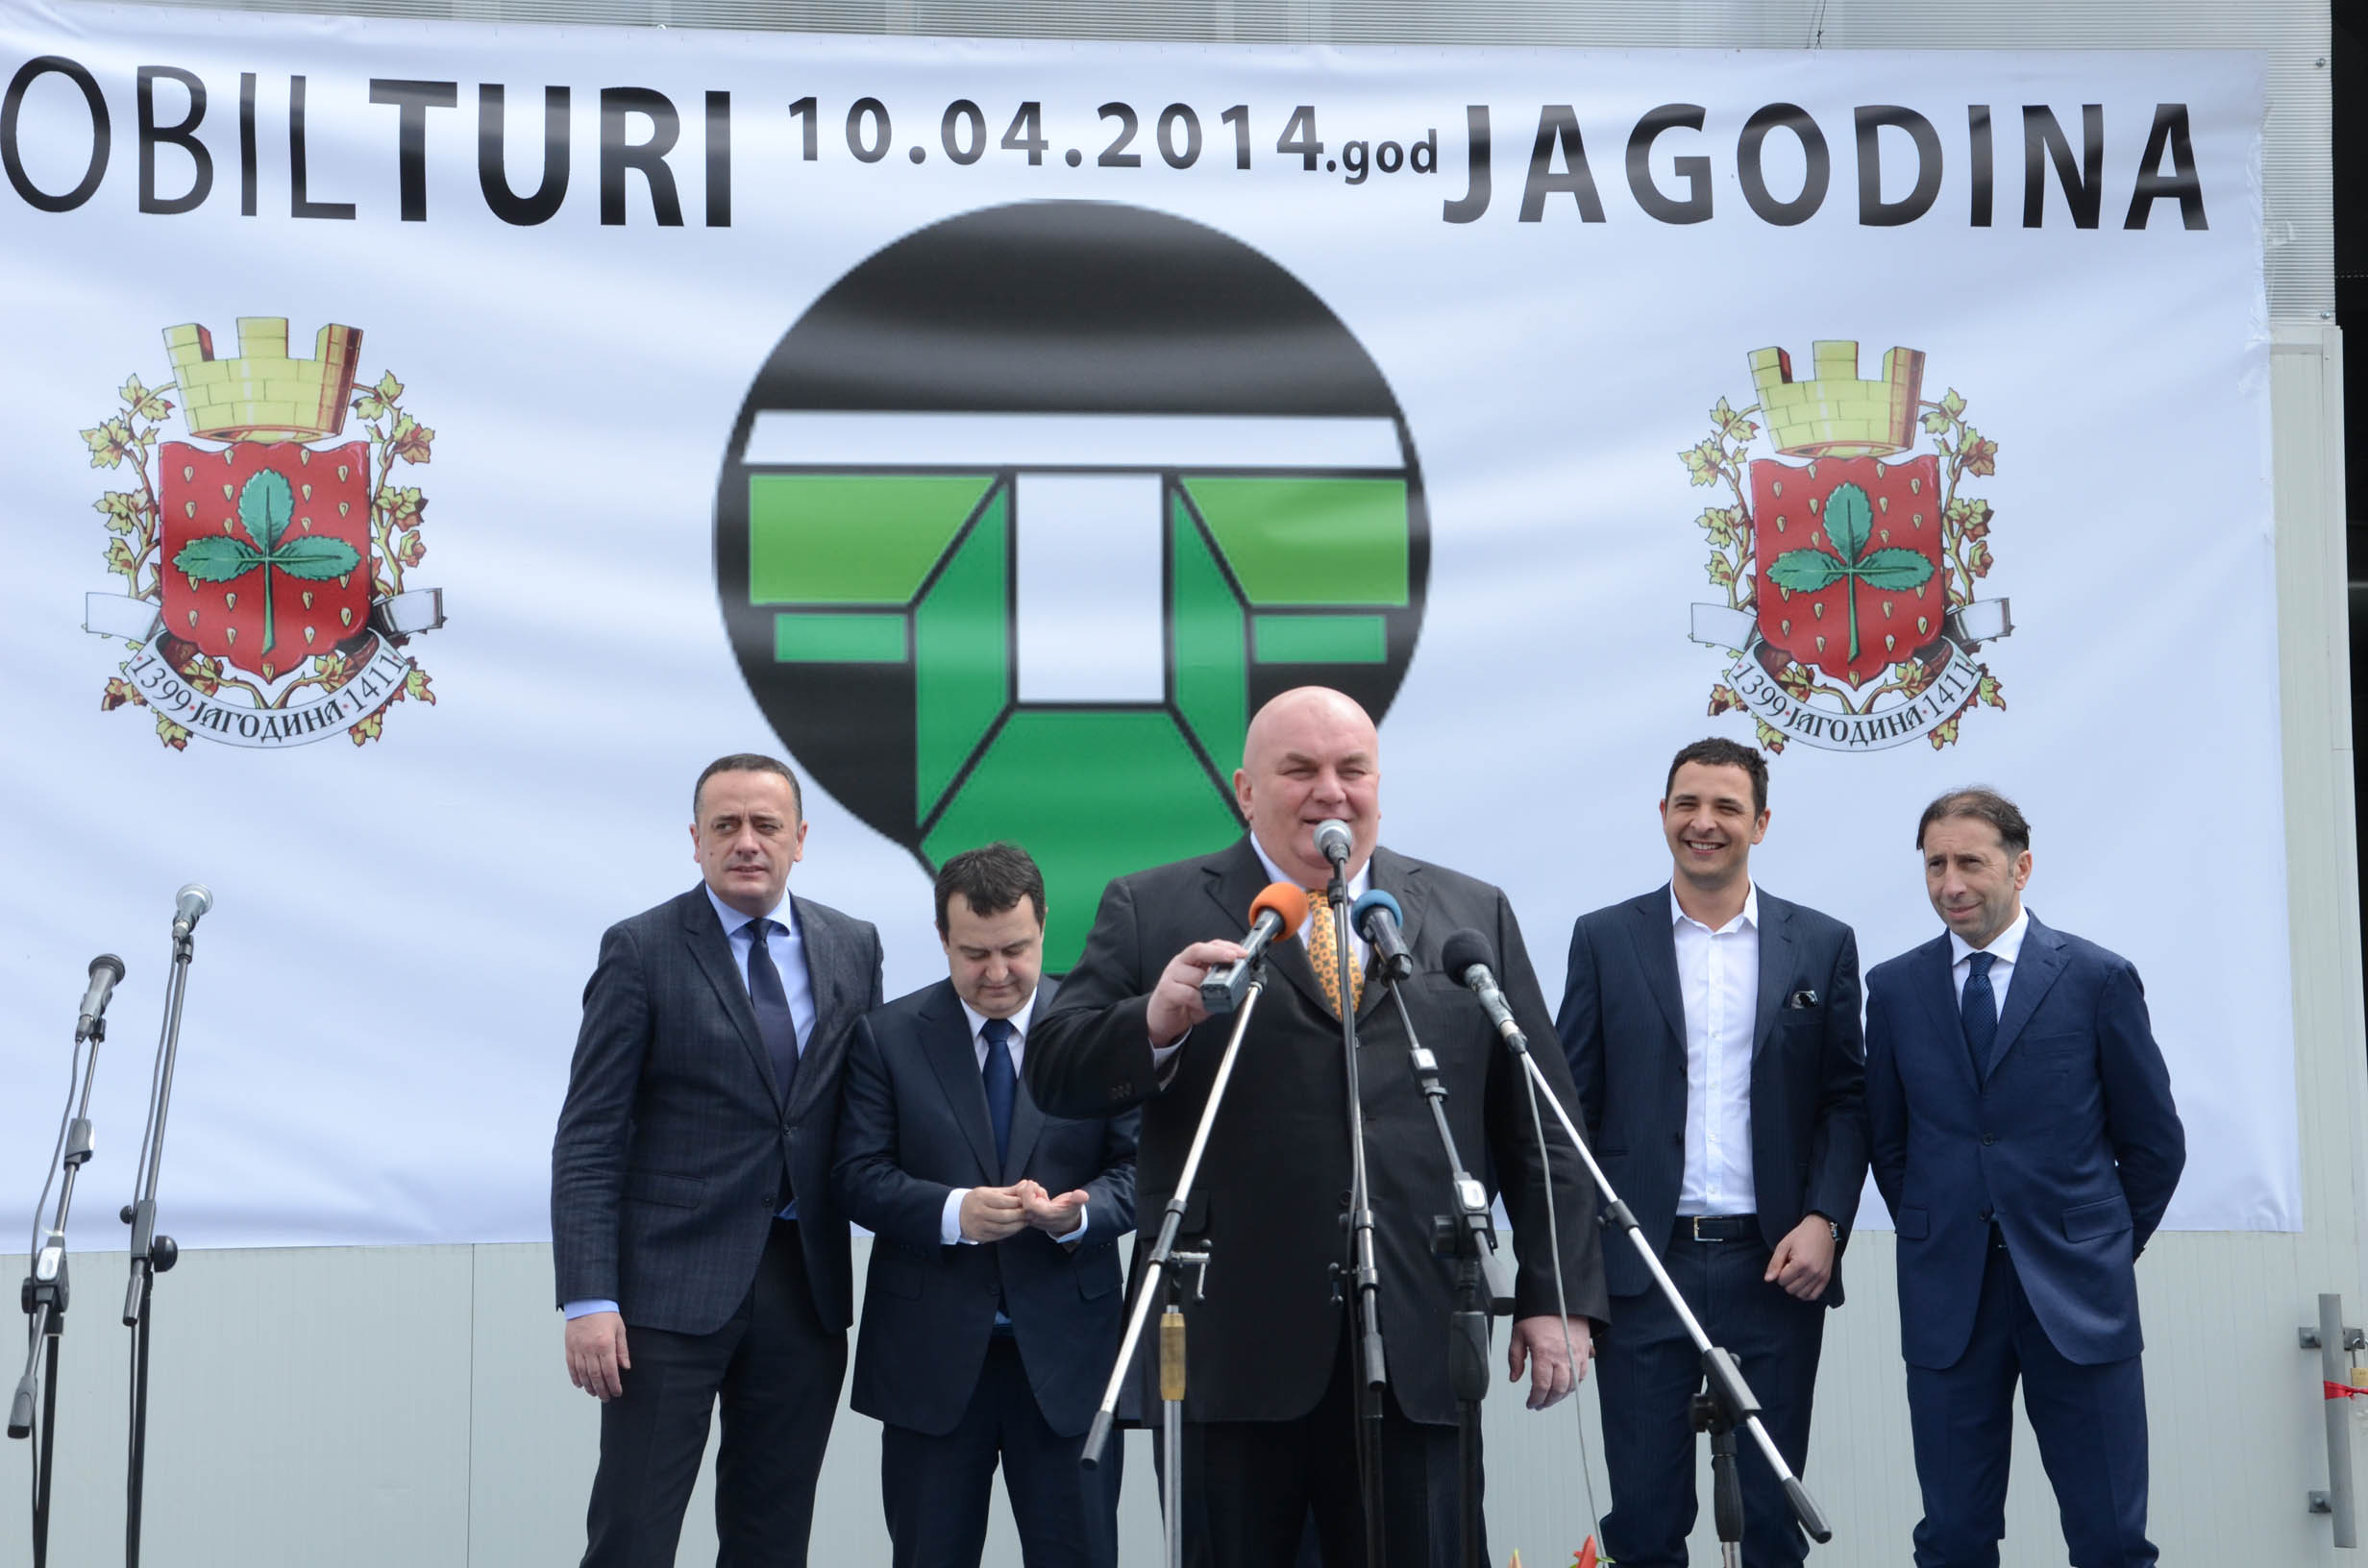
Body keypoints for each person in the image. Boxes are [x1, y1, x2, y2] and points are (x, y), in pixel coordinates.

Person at [1027, 685, 1607, 1568]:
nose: (1330, 792)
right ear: (1245, 790)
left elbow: (1541, 1125)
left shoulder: (1468, 913)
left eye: (1352, 770)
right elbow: (1055, 1068)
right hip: (1230, 1349)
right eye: (1299, 770)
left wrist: (1555, 1295)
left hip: (1418, 1338)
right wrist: (1155, 1020)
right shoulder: (1155, 906)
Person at [551, 753, 884, 1568]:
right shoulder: (641, 949)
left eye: (766, 825)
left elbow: (869, 1113)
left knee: (772, 1538)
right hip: (666, 1295)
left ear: (799, 839)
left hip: (804, 1289)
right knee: (633, 1534)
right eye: (725, 825)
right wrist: (588, 1299)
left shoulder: (854, 946)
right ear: (695, 840)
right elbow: (590, 1136)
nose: (746, 842)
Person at [1555, 737, 1866, 1568]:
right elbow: (1570, 1110)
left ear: (1760, 824)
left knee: (1772, 1521)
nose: (1705, 822)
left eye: (1728, 807)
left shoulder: (1821, 943)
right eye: (1688, 804)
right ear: (1663, 814)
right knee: (1645, 1522)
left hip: (1776, 1267)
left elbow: (1846, 1099)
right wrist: (1574, 1269)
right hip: (1643, 1270)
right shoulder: (1605, 939)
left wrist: (1826, 1219)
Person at [1865, 788, 2185, 1568]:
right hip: (1949, 1300)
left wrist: (2102, 1245)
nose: (1951, 884)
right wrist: (1937, 1230)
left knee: (2111, 1539)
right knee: (1953, 1539)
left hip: (2080, 1297)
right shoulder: (1896, 989)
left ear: (2021, 867)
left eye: (1971, 863)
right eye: (1935, 865)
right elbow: (1889, 1142)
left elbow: (2154, 1144)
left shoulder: (2096, 979)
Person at [833, 842, 1139, 1568]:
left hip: (1070, 1360)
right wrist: (954, 1214)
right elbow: (855, 1175)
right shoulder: (887, 1037)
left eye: (1015, 950)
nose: (998, 973)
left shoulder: (1098, 1033)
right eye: (975, 953)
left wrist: (1078, 1215)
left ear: (1044, 929)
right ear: (943, 938)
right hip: (931, 1365)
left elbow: (1141, 1170)